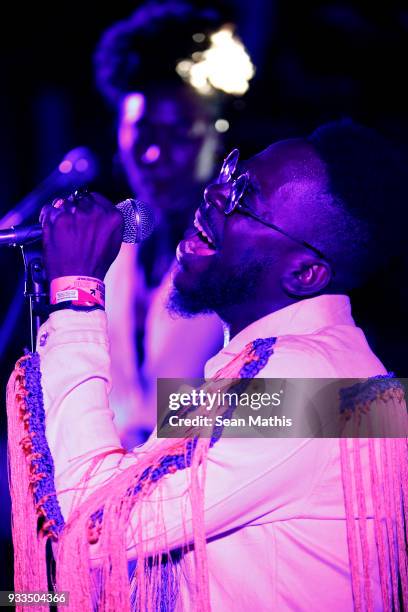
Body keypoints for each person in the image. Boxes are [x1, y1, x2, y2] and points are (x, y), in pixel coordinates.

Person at [7, 120, 407, 610]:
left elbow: (93, 524)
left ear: (305, 273)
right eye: (231, 172)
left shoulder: (307, 386)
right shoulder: (280, 367)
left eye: (244, 199)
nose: (215, 195)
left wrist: (77, 296)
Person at [93, 1, 240, 444]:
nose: (155, 156)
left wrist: (182, 430)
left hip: (212, 493)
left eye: (179, 133)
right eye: (143, 134)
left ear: (216, 133)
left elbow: (321, 408)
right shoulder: (112, 242)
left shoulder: (246, 246)